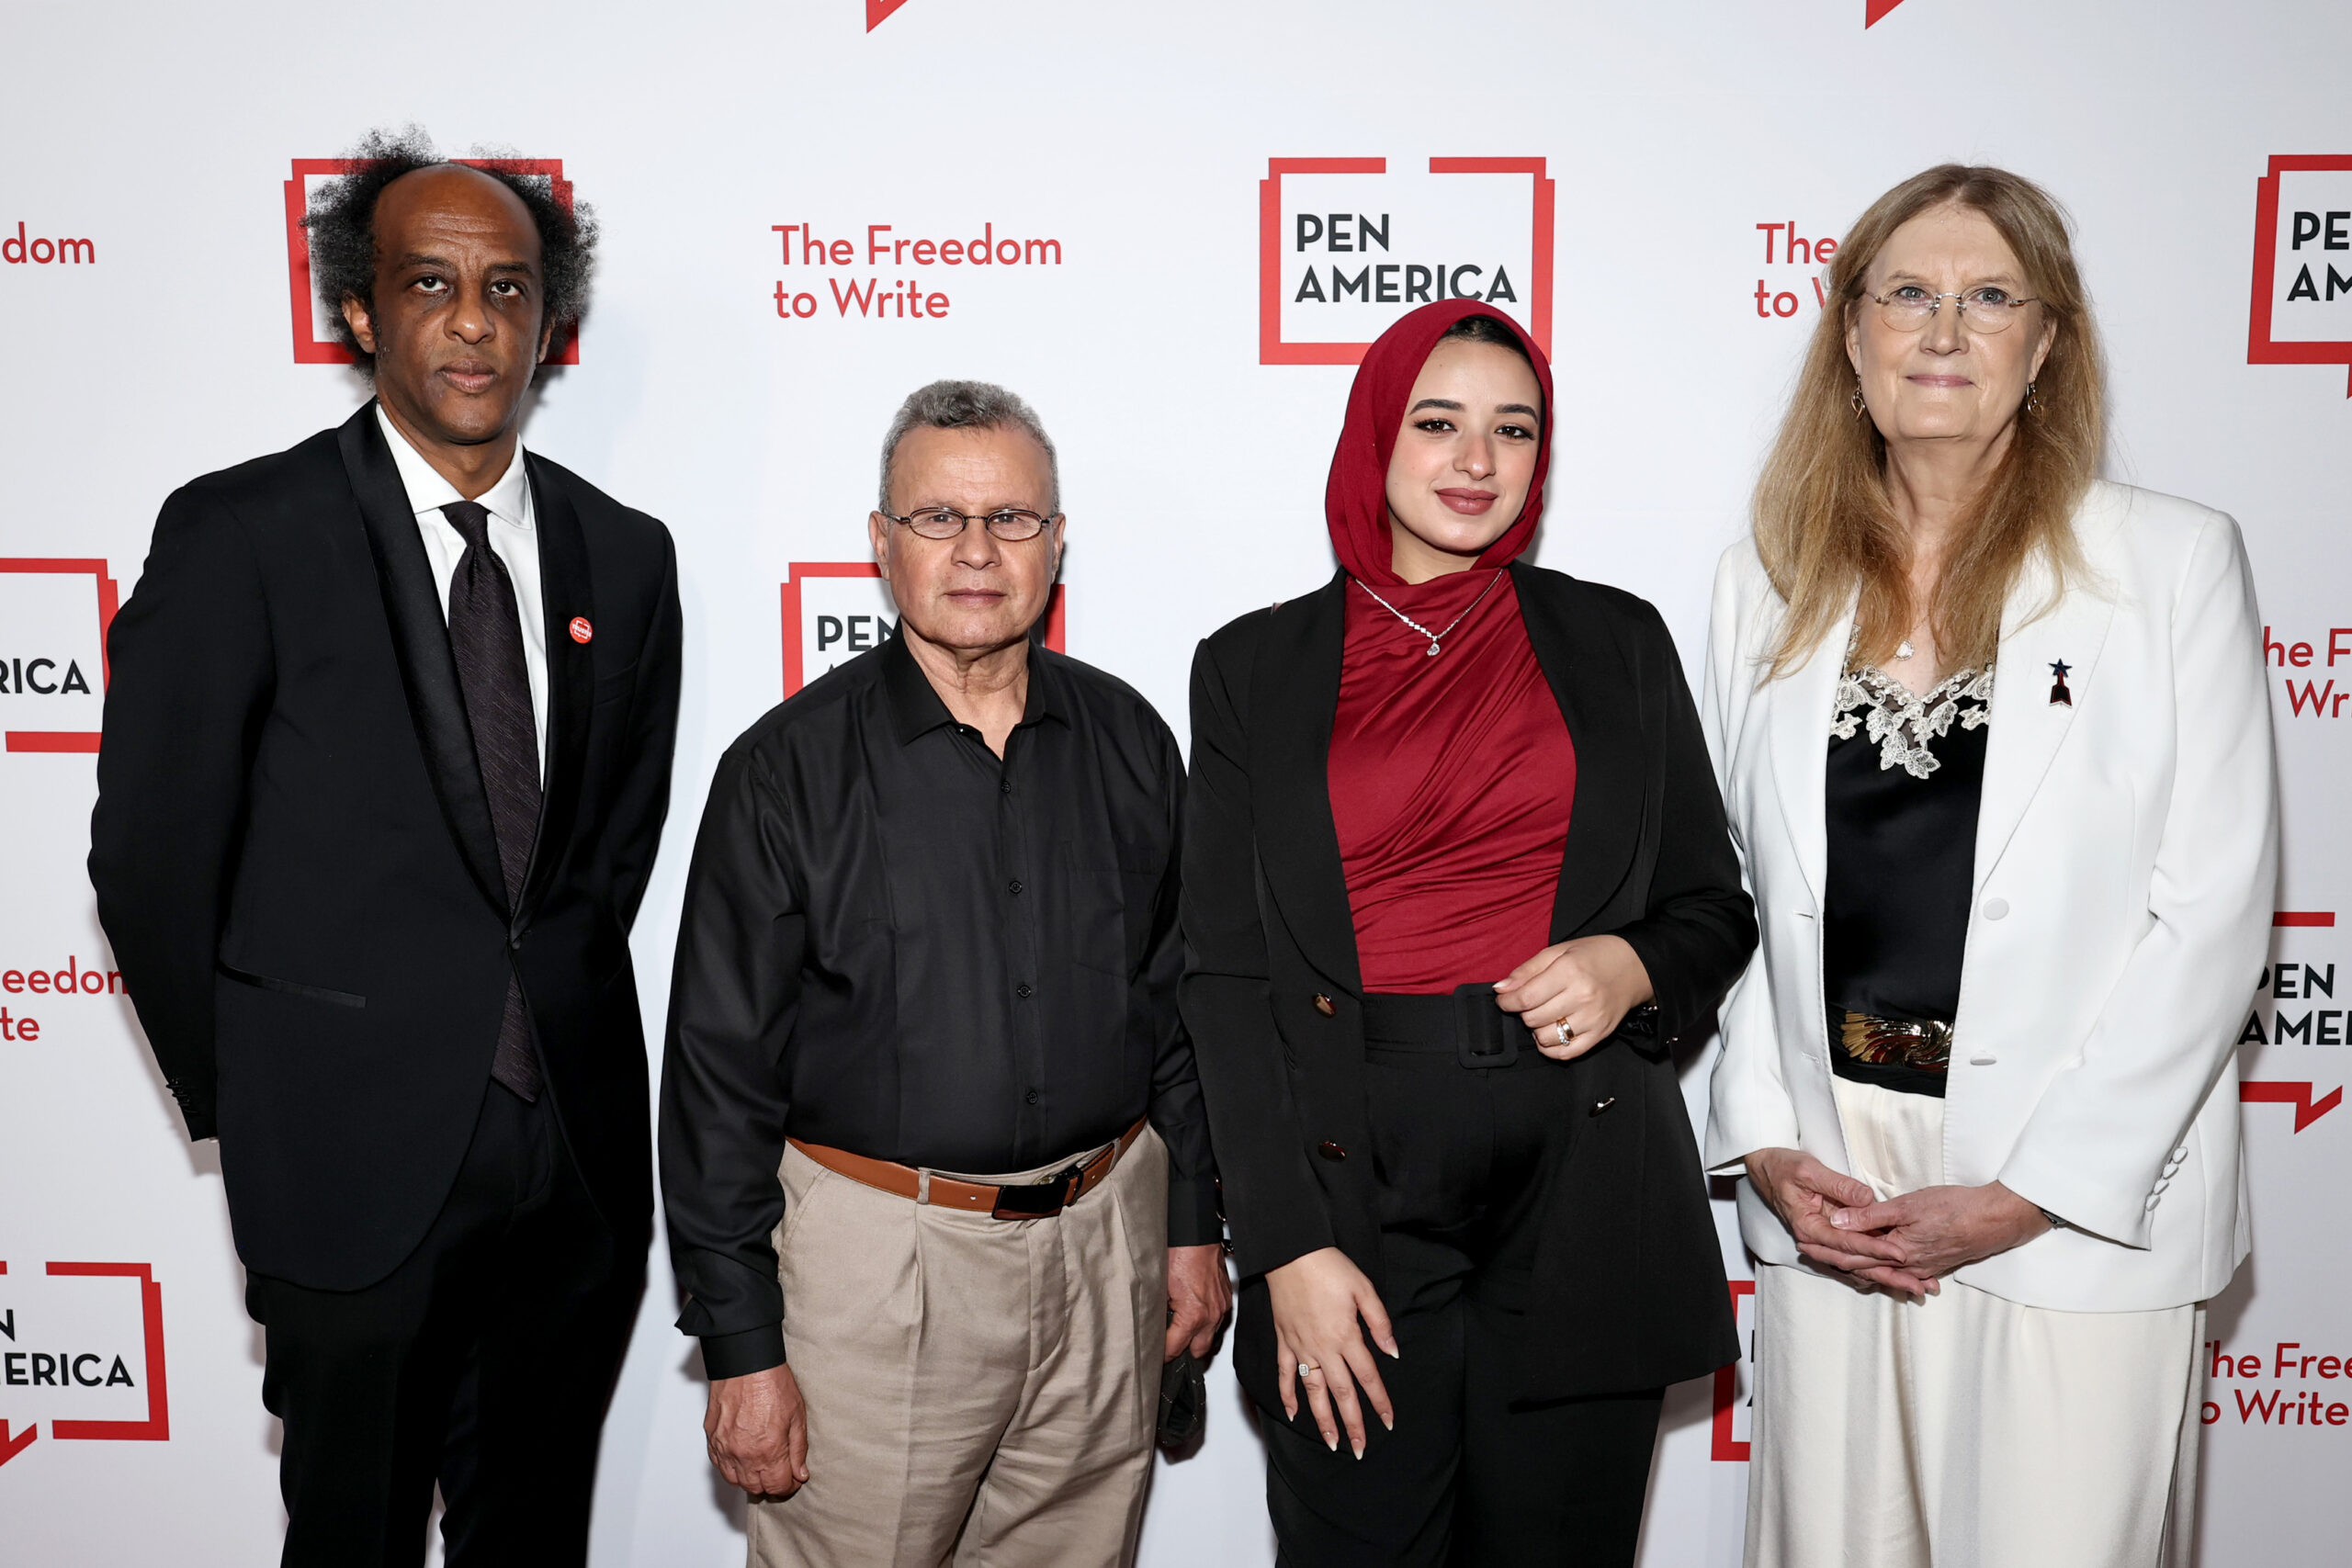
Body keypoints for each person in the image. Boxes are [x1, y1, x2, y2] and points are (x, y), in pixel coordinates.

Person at [88, 129, 683, 1567]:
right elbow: (153, 865)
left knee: (531, 1539)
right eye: (431, 283)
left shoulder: (628, 552)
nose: (474, 320)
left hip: (575, 1171)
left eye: (508, 288)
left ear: (553, 326)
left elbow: (605, 860)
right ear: (362, 310)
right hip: (345, 1173)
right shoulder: (244, 532)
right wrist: (274, 1110)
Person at [1702, 164, 2276, 1568]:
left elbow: (2211, 916)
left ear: (2049, 343)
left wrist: (2030, 1192)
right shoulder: (1763, 582)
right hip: (1841, 1196)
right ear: (1849, 337)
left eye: (1988, 296)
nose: (1943, 329)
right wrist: (1773, 1147)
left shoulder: (2172, 564)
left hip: (2073, 1199)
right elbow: (1732, 895)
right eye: (1906, 292)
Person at [1181, 299, 1754, 1566]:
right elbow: (1224, 980)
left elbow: (1713, 906)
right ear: (1378, 435)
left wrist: (1631, 964)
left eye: (1514, 430)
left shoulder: (1616, 641)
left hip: (1586, 1177)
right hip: (1349, 1186)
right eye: (1438, 424)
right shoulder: (1251, 670)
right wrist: (1284, 1245)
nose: (1476, 464)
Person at [659, 379, 1229, 1568]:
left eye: (1013, 519)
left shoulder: (1131, 744)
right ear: (881, 544)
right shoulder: (783, 775)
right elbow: (718, 1083)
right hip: (877, 1274)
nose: (978, 550)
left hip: (1102, 1248)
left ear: (1057, 543)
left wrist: (1189, 1228)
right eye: (938, 519)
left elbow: (1176, 1012)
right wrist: (743, 1348)